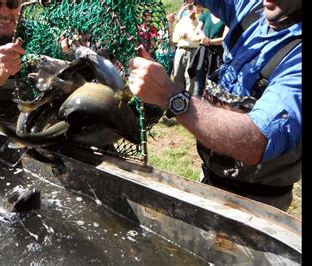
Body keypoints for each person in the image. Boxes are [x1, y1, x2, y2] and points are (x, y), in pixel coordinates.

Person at [128, 0, 301, 211]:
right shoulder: (253, 8)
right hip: (211, 178)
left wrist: (170, 95)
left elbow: (256, 141)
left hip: (255, 204)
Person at [189, 12, 229, 97]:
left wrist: (209, 41)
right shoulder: (205, 16)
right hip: (203, 54)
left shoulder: (226, 17)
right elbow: (194, 36)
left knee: (214, 85)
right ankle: (199, 104)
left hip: (217, 55)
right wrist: (201, 37)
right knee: (199, 84)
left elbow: (224, 39)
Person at [171, 2, 203, 95]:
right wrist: (180, 35)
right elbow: (174, 37)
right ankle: (176, 98)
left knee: (189, 76)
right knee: (177, 75)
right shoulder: (182, 21)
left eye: (197, 7)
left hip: (193, 51)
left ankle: (187, 99)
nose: (194, 10)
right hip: (180, 50)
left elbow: (201, 36)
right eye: (192, 8)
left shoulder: (201, 20)